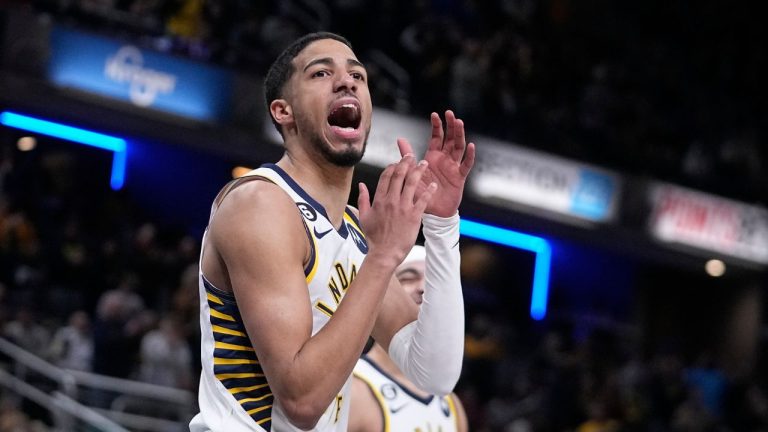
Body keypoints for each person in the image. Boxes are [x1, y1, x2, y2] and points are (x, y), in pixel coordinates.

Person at [190, 31, 475, 432]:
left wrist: (442, 225)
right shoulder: (260, 203)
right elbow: (301, 401)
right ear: (282, 111)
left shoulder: (355, 234)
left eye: (358, 76)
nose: (347, 81)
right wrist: (382, 258)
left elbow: (434, 374)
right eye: (321, 73)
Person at [350, 245, 469, 432]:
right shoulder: (352, 386)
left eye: (433, 282)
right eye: (408, 278)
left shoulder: (451, 403)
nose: (423, 288)